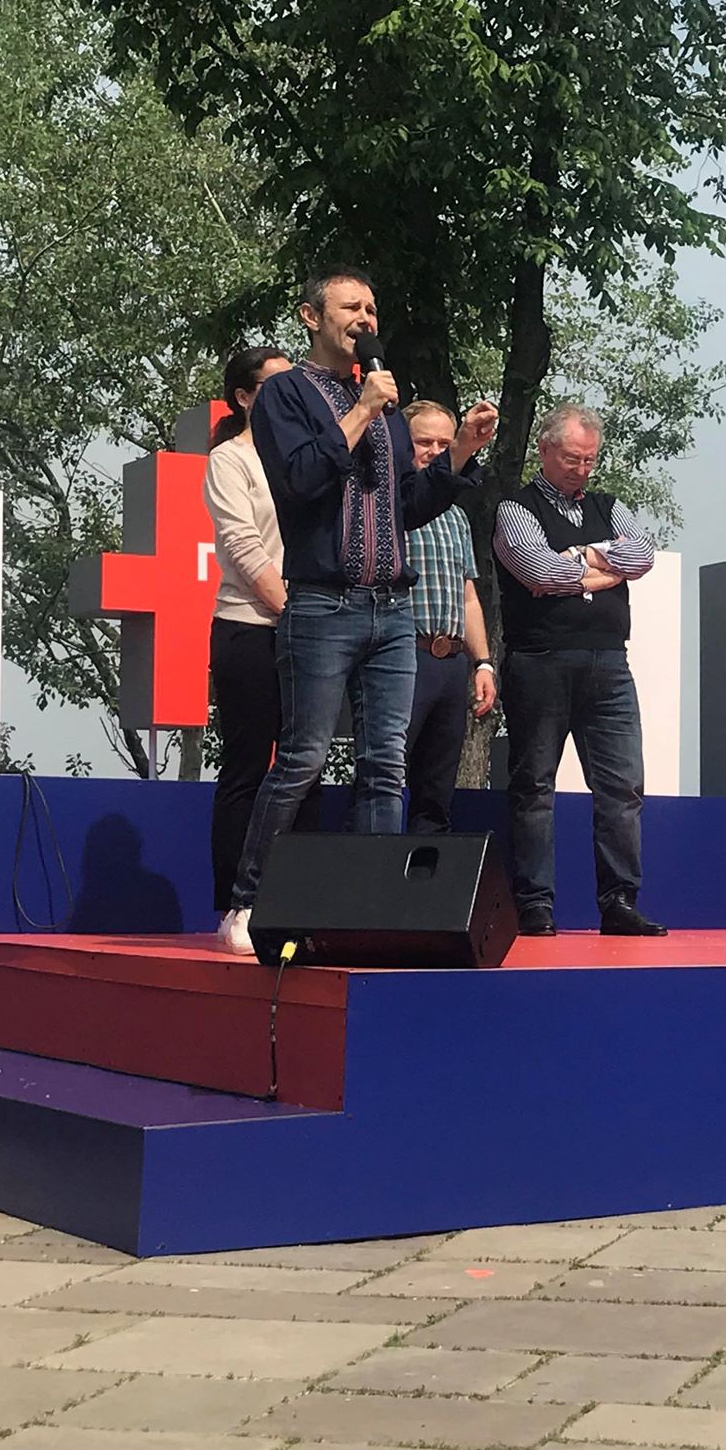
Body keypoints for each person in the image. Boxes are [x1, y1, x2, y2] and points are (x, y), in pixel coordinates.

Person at [215, 267, 497, 953]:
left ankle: (370, 911)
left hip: (392, 607)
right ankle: (247, 901)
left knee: (385, 765)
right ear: (312, 317)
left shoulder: (386, 405)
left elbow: (407, 506)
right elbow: (302, 478)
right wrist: (364, 409)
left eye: (372, 307)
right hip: (322, 604)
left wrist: (459, 452)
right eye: (351, 306)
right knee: (303, 757)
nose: (366, 318)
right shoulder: (286, 394)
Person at [493, 403, 662, 937]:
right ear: (545, 450)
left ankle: (620, 901)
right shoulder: (516, 508)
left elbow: (644, 555)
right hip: (541, 659)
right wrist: (604, 567)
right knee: (534, 786)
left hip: (610, 661)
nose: (581, 469)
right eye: (572, 458)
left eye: (590, 460)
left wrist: (581, 557)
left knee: (622, 786)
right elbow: (537, 571)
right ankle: (535, 903)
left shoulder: (609, 505)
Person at [202, 346, 325, 911]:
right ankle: (237, 904)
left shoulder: (309, 456)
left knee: (308, 767)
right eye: (275, 387)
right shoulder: (230, 460)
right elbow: (243, 547)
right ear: (244, 398)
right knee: (249, 767)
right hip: (251, 628)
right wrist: (294, 610)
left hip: (313, 631)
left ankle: (299, 902)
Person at [401, 401, 497, 833]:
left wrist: (483, 662)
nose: (436, 451)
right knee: (384, 778)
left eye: (445, 443)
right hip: (403, 655)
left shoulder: (457, 516)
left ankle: (426, 872)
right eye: (425, 442)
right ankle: (372, 869)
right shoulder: (391, 508)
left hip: (451, 661)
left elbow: (468, 595)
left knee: (437, 792)